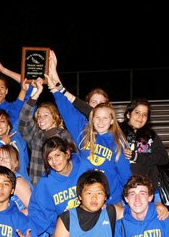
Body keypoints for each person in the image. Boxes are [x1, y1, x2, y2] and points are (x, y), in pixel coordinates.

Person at [47, 73, 131, 205]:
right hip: (86, 198)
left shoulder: (118, 141)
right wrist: (53, 89)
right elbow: (68, 111)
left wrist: (125, 201)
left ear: (112, 120)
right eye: (97, 117)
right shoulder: (84, 132)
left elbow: (125, 175)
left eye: (105, 118)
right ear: (92, 119)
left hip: (111, 201)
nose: (101, 121)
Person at [18, 78, 75, 185]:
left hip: (60, 188)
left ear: (55, 117)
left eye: (45, 115)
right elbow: (23, 121)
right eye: (38, 116)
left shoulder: (64, 135)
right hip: (39, 188)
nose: (41, 119)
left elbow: (74, 160)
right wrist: (36, 93)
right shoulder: (36, 136)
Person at [120, 99, 169, 201]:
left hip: (149, 190)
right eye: (137, 113)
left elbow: (164, 158)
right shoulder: (117, 132)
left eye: (144, 114)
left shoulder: (151, 135)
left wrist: (137, 157)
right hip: (121, 190)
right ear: (128, 114)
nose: (140, 117)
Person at [0, 144, 32, 214]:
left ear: (16, 163)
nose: (2, 161)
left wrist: (11, 218)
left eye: (7, 158)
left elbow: (34, 210)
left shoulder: (18, 182)